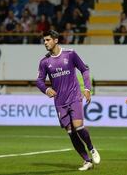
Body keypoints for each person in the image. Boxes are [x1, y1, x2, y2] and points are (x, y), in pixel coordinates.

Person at [36, 30, 100, 171]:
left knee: (78, 126)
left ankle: (92, 148)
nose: (45, 43)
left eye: (48, 40)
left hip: (74, 96)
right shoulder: (44, 61)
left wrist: (87, 89)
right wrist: (46, 90)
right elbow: (39, 81)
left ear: (56, 40)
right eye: (44, 40)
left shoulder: (70, 54)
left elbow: (84, 70)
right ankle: (87, 160)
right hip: (59, 102)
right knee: (71, 132)